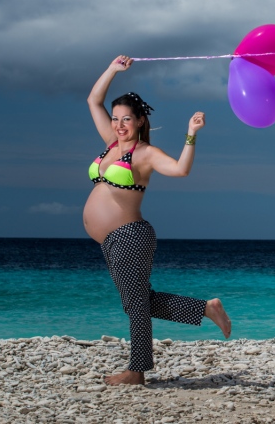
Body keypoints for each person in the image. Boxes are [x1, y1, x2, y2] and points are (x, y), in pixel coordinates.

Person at [84, 55, 231, 386]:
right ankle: (206, 309)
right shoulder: (110, 145)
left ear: (138, 122)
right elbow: (94, 100)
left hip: (130, 236)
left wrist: (191, 135)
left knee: (137, 307)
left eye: (126, 119)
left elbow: (180, 169)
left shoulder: (144, 153)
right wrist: (111, 69)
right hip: (111, 241)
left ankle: (136, 373)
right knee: (139, 302)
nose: (120, 124)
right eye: (116, 118)